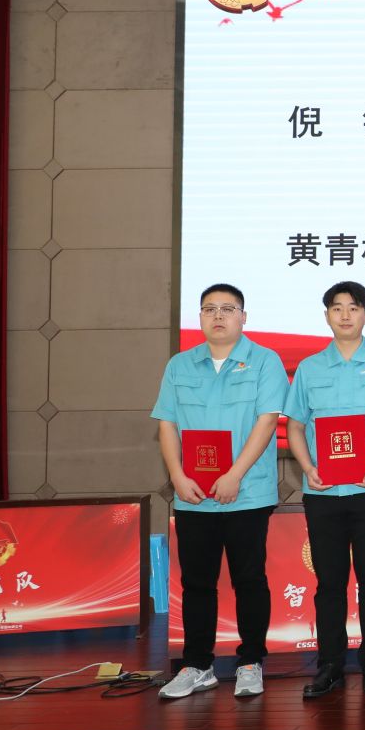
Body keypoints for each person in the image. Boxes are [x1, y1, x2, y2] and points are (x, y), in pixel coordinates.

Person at [152, 283, 288, 700]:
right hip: (193, 494)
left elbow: (267, 421)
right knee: (197, 583)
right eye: (209, 308)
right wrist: (177, 477)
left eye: (228, 309)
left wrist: (234, 475)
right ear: (199, 317)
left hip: (246, 493)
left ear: (243, 317)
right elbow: (167, 424)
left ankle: (251, 662)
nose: (218, 316)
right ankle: (197, 665)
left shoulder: (265, 361)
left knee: (249, 580)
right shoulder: (180, 365)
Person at [284, 281, 365, 699]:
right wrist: (308, 468)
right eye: (336, 308)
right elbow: (295, 426)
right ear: (326, 315)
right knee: (329, 583)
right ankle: (330, 665)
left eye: (353, 307)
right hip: (323, 492)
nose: (345, 315)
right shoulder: (310, 368)